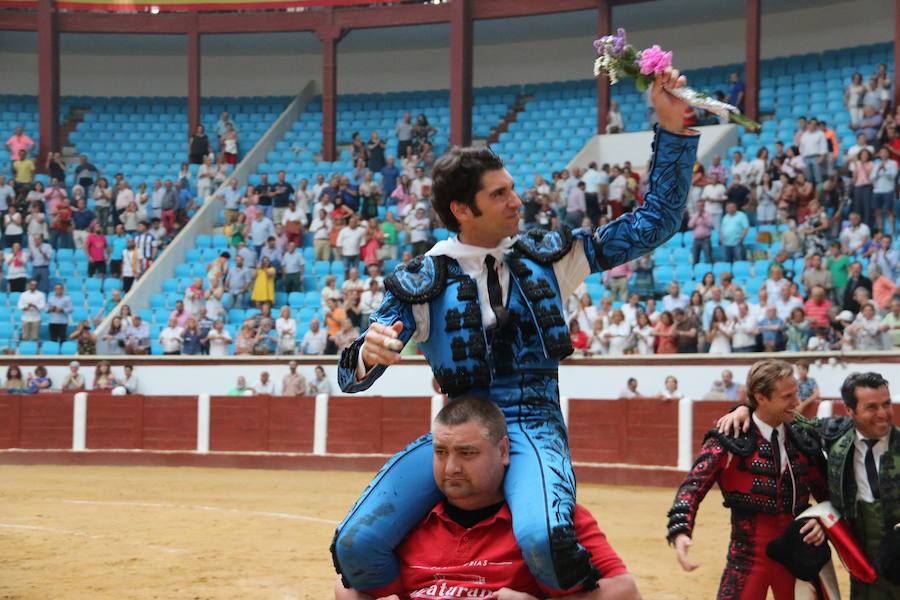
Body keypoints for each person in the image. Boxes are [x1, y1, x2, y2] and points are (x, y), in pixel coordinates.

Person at [332, 66, 698, 594]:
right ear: (462, 209)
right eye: (500, 194)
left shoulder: (550, 258)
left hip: (535, 428)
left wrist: (673, 130)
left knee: (545, 537)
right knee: (355, 545)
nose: (516, 201)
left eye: (512, 189)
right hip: (460, 432)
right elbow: (351, 376)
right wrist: (368, 351)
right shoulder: (422, 280)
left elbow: (655, 223)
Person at [336, 396, 638, 600]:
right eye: (441, 453)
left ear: (504, 451)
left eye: (467, 453)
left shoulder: (551, 516)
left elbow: (626, 591)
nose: (451, 468)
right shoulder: (406, 518)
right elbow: (346, 586)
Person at [719, 371, 900, 598]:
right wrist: (745, 407)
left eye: (887, 404)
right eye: (872, 407)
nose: (883, 414)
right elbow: (784, 415)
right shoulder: (837, 436)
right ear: (850, 411)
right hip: (861, 559)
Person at [667, 359, 828, 600]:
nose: (797, 402)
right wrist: (680, 530)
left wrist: (823, 518)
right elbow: (693, 486)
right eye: (787, 396)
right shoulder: (729, 438)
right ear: (761, 398)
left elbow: (831, 493)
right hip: (748, 557)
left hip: (799, 554)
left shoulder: (802, 437)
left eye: (796, 393)